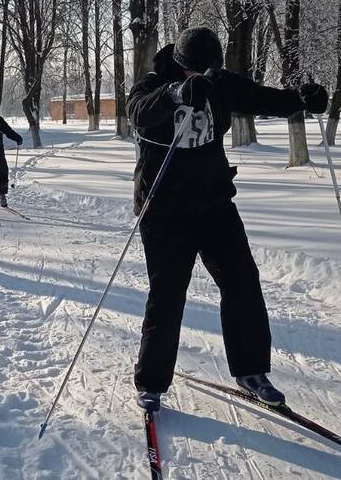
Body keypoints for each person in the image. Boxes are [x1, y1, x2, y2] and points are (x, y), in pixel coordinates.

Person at [127, 26, 328, 412]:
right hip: (165, 211)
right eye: (193, 73)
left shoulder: (218, 82)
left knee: (242, 283)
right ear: (180, 64)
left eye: (206, 71)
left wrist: (300, 100)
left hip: (214, 204)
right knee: (167, 297)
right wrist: (176, 94)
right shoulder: (155, 82)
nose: (200, 79)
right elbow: (138, 112)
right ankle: (151, 382)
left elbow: (259, 97)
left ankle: (251, 370)